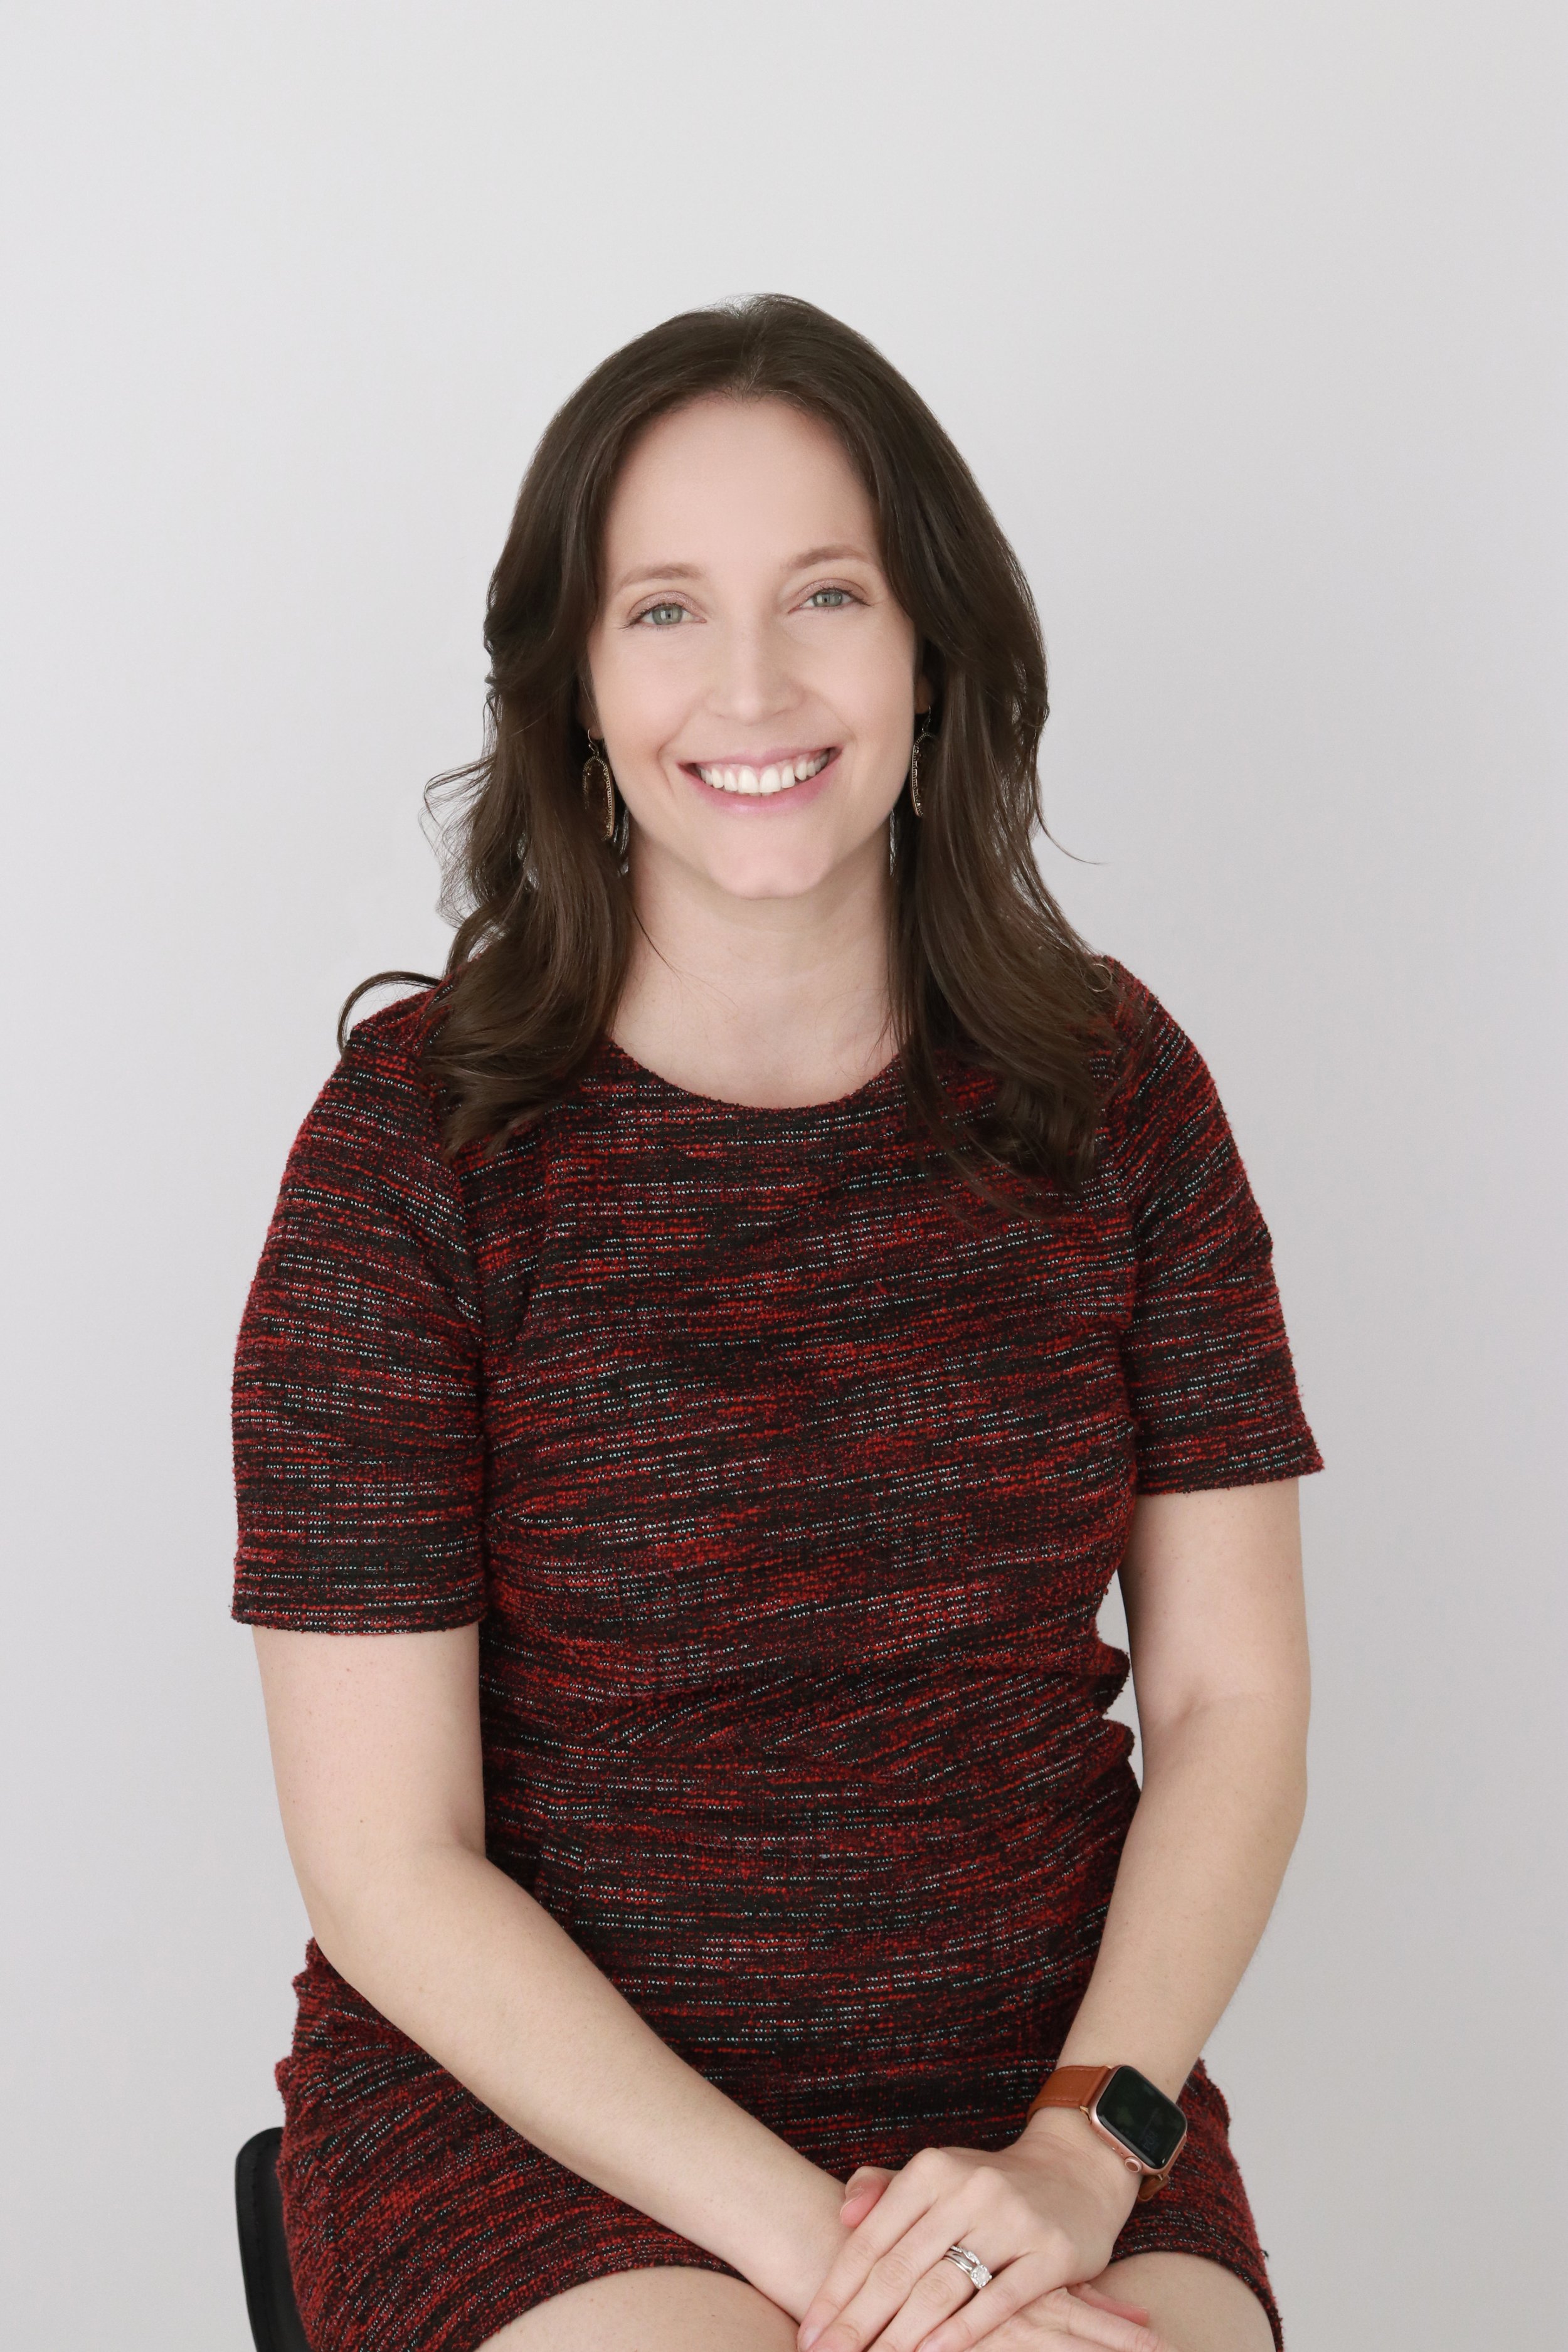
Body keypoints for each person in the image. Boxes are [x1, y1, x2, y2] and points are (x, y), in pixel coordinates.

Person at [232, 294, 1322, 2352]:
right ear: (570, 681)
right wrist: (840, 2262)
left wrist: (1083, 2151)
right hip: (537, 2129)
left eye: (825, 591)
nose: (751, 681)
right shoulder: (411, 1156)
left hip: (1039, 2099)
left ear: (933, 651)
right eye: (663, 610)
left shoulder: (1117, 1094)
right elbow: (388, 1860)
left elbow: (1230, 1712)